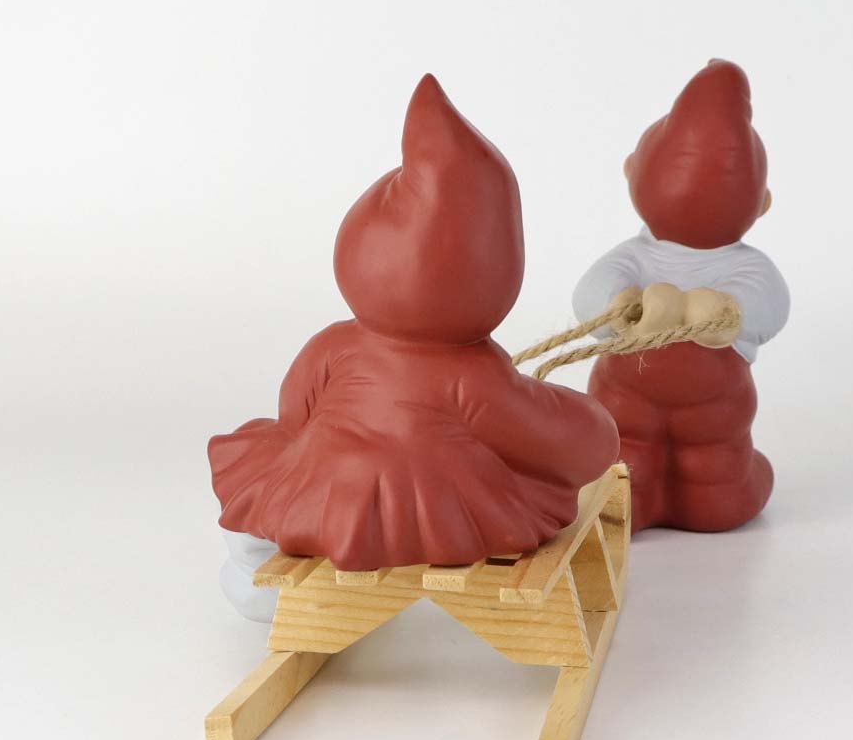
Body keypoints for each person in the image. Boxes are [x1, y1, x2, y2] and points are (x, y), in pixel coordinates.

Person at [211, 75, 619, 619]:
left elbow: (293, 413)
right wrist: (594, 427)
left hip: (325, 488)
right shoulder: (473, 377)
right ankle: (276, 575)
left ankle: (254, 568)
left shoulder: (335, 344)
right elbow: (562, 443)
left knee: (276, 475)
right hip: (434, 515)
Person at [572, 60, 789, 534]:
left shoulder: (746, 267)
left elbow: (770, 305)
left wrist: (728, 313)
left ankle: (715, 494)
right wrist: (619, 304)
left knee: (716, 487)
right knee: (625, 467)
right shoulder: (632, 258)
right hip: (628, 399)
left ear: (631, 171)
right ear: (763, 203)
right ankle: (639, 498)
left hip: (712, 409)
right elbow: (593, 291)